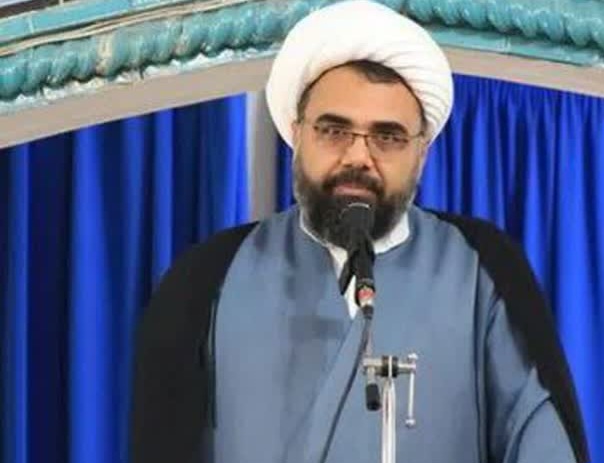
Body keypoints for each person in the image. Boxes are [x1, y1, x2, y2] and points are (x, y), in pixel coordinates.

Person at [129, 1, 589, 463]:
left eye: (387, 137)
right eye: (334, 130)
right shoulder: (209, 277)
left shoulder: (479, 271)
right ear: (297, 135)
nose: (357, 157)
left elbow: (540, 438)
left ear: (421, 153)